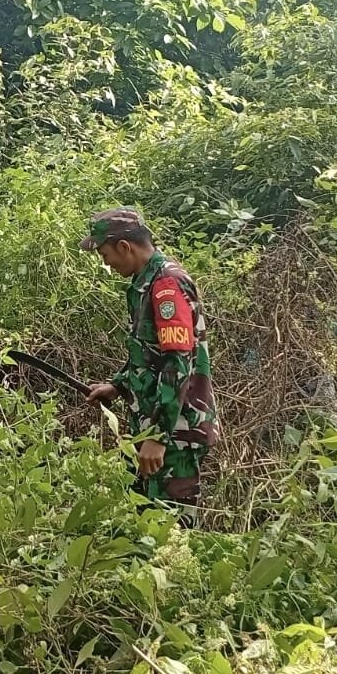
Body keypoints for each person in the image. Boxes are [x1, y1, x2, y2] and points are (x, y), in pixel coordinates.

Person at [79, 208, 220, 525]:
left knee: (172, 530)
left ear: (124, 247)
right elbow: (149, 354)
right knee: (145, 525)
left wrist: (157, 437)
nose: (106, 263)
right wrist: (118, 385)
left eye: (105, 254)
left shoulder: (166, 285)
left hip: (177, 434)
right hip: (157, 430)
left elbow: (177, 362)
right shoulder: (145, 284)